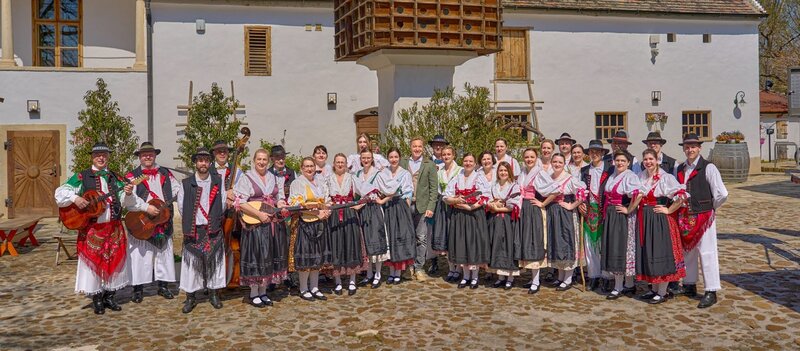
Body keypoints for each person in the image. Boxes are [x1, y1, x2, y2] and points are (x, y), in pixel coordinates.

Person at [55, 142, 133, 315]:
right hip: (93, 229)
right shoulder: (82, 176)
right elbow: (60, 193)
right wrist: (75, 198)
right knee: (94, 264)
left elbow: (125, 203)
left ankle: (110, 296)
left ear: (108, 157)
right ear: (92, 157)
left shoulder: (115, 177)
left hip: (113, 227)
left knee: (114, 261)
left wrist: (128, 193)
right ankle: (97, 298)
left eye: (104, 155)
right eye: (98, 155)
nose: (101, 158)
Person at [674, 133, 728, 308]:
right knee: (688, 251)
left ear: (699, 148)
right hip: (685, 217)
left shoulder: (709, 167)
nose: (690, 150)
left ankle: (711, 290)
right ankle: (689, 284)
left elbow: (722, 193)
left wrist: (709, 208)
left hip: (704, 218)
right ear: (684, 148)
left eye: (693, 147)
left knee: (707, 253)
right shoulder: (680, 169)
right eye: (687, 147)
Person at [123, 142, 181, 304]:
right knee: (139, 256)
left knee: (164, 254)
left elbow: (177, 189)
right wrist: (146, 208)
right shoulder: (132, 176)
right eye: (144, 154)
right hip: (142, 221)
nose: (147, 156)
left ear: (155, 155)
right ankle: (138, 289)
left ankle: (163, 286)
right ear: (139, 157)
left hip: (162, 220)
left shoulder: (166, 173)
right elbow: (129, 200)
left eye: (150, 154)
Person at [233, 149, 288, 308]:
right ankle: (253, 293)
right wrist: (259, 214)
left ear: (268, 161)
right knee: (256, 257)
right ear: (254, 160)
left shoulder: (275, 178)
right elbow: (241, 203)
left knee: (268, 256)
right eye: (259, 159)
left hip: (272, 222)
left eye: (264, 159)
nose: (262, 162)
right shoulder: (246, 178)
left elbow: (280, 198)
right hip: (255, 223)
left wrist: (281, 204)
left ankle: (263, 291)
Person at [178, 147, 227, 313]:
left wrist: (213, 220)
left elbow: (223, 204)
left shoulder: (218, 181)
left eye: (206, 160)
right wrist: (194, 222)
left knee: (215, 263)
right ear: (195, 163)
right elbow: (182, 207)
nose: (203, 163)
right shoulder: (186, 183)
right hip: (194, 230)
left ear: (210, 162)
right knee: (191, 265)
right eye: (200, 160)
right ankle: (190, 297)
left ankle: (214, 294)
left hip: (213, 229)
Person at [635, 149, 687, 304]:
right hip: (645, 218)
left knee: (659, 253)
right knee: (649, 253)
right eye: (645, 159)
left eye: (651, 159)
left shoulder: (666, 177)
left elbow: (682, 196)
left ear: (657, 160)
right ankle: (654, 289)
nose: (648, 162)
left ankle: (663, 292)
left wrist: (668, 209)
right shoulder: (640, 176)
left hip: (659, 220)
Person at [535, 153, 586, 291]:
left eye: (560, 162)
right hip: (552, 212)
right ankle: (560, 276)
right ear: (551, 162)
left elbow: (582, 193)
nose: (557, 164)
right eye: (555, 162)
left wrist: (571, 206)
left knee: (566, 241)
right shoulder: (549, 178)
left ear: (564, 164)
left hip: (565, 214)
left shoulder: (569, 178)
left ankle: (568, 278)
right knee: (556, 242)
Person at [288, 157, 332, 301]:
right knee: (306, 257)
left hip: (319, 222)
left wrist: (326, 211)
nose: (309, 169)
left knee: (316, 257)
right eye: (306, 166)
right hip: (305, 222)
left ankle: (314, 287)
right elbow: (298, 206)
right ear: (301, 168)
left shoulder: (319, 181)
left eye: (311, 166)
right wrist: (317, 213)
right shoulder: (298, 183)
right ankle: (303, 288)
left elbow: (326, 199)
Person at [601, 150, 644, 300]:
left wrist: (629, 209)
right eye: (617, 160)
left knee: (620, 247)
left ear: (628, 163)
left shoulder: (630, 176)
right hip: (611, 214)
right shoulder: (613, 175)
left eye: (622, 161)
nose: (619, 163)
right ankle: (628, 285)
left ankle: (619, 286)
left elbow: (639, 194)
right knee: (617, 246)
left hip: (621, 216)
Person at [444, 153, 491, 289]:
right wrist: (455, 200)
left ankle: (475, 277)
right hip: (459, 215)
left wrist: (471, 207)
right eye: (465, 161)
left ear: (475, 163)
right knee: (461, 244)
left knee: (473, 244)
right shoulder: (457, 177)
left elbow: (486, 195)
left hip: (474, 215)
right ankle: (465, 276)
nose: (468, 163)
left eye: (471, 161)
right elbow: (446, 196)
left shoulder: (479, 177)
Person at [326, 153, 369, 296]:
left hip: (349, 215)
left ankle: (352, 280)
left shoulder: (352, 178)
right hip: (334, 216)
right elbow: (324, 198)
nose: (340, 164)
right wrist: (328, 205)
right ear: (334, 164)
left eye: (342, 162)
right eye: (337, 162)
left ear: (346, 164)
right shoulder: (328, 179)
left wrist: (358, 205)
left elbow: (367, 192)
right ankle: (337, 281)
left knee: (351, 245)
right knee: (336, 246)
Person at [399, 137, 438, 281]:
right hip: (406, 205)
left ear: (423, 148)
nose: (417, 149)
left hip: (422, 206)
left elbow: (434, 189)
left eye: (419, 146)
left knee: (421, 237)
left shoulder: (429, 164)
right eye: (414, 146)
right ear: (410, 147)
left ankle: (419, 267)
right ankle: (408, 266)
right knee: (407, 236)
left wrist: (431, 207)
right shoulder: (403, 163)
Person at [355, 150, 395, 288]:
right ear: (360, 159)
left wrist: (382, 201)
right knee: (366, 242)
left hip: (374, 210)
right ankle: (369, 274)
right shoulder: (358, 174)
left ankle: (378, 274)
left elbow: (394, 188)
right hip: (362, 210)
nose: (366, 160)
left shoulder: (379, 173)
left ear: (372, 159)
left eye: (368, 158)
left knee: (376, 241)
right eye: (363, 158)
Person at [578, 140, 613, 292]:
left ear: (603, 153)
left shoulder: (610, 169)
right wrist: (580, 203)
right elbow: (579, 190)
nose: (594, 154)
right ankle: (593, 276)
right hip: (589, 210)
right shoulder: (584, 171)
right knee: (589, 245)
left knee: (604, 245)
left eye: (597, 152)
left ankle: (607, 277)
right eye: (592, 151)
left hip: (604, 210)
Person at [381, 148, 416, 284]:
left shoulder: (405, 173)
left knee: (399, 237)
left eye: (396, 157)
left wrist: (405, 211)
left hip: (400, 206)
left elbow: (408, 193)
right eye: (391, 157)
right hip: (387, 207)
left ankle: (398, 272)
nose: (393, 159)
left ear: (399, 158)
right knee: (390, 236)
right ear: (388, 158)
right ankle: (391, 271)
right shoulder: (384, 173)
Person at [516, 148, 547, 294]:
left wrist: (543, 203)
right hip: (523, 208)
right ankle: (531, 278)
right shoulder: (523, 172)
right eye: (527, 157)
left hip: (533, 209)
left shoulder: (540, 172)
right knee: (526, 241)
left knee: (534, 241)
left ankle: (536, 280)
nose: (529, 159)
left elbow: (555, 189)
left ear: (536, 158)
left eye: (532, 157)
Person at [487, 162, 522, 290]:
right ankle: (500, 277)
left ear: (509, 172)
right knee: (496, 245)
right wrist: (493, 205)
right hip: (495, 220)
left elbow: (514, 205)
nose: (503, 173)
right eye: (501, 170)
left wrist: (499, 208)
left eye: (505, 171)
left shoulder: (514, 186)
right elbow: (489, 200)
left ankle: (510, 277)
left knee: (508, 246)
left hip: (508, 220)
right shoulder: (494, 186)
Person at [433, 146, 463, 281]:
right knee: (447, 236)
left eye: (448, 154)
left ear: (454, 155)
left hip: (456, 205)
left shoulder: (460, 170)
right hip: (443, 205)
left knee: (456, 236)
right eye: (444, 154)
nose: (446, 156)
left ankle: (459, 268)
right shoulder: (439, 171)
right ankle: (451, 268)